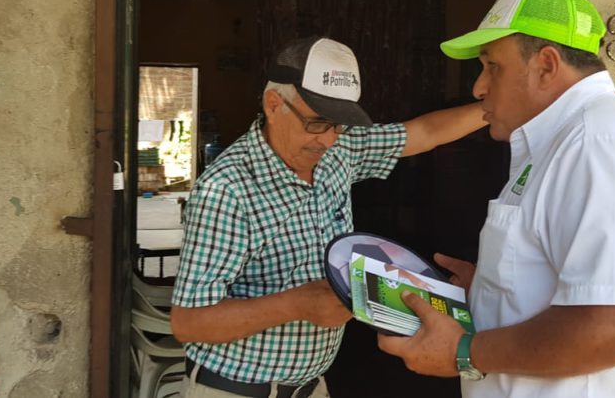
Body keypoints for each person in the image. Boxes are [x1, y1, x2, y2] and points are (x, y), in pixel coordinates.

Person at [377, 0, 615, 397]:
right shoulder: (565, 144)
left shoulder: (599, 147)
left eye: (492, 66)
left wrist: (464, 351)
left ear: (546, 66)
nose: (478, 87)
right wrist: (495, 290)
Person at [170, 36, 487, 398]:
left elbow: (424, 132)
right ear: (274, 105)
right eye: (318, 122)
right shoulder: (226, 190)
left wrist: (501, 105)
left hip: (311, 387)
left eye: (341, 124)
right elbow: (188, 321)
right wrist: (295, 305)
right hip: (234, 390)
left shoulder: (339, 151)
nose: (330, 139)